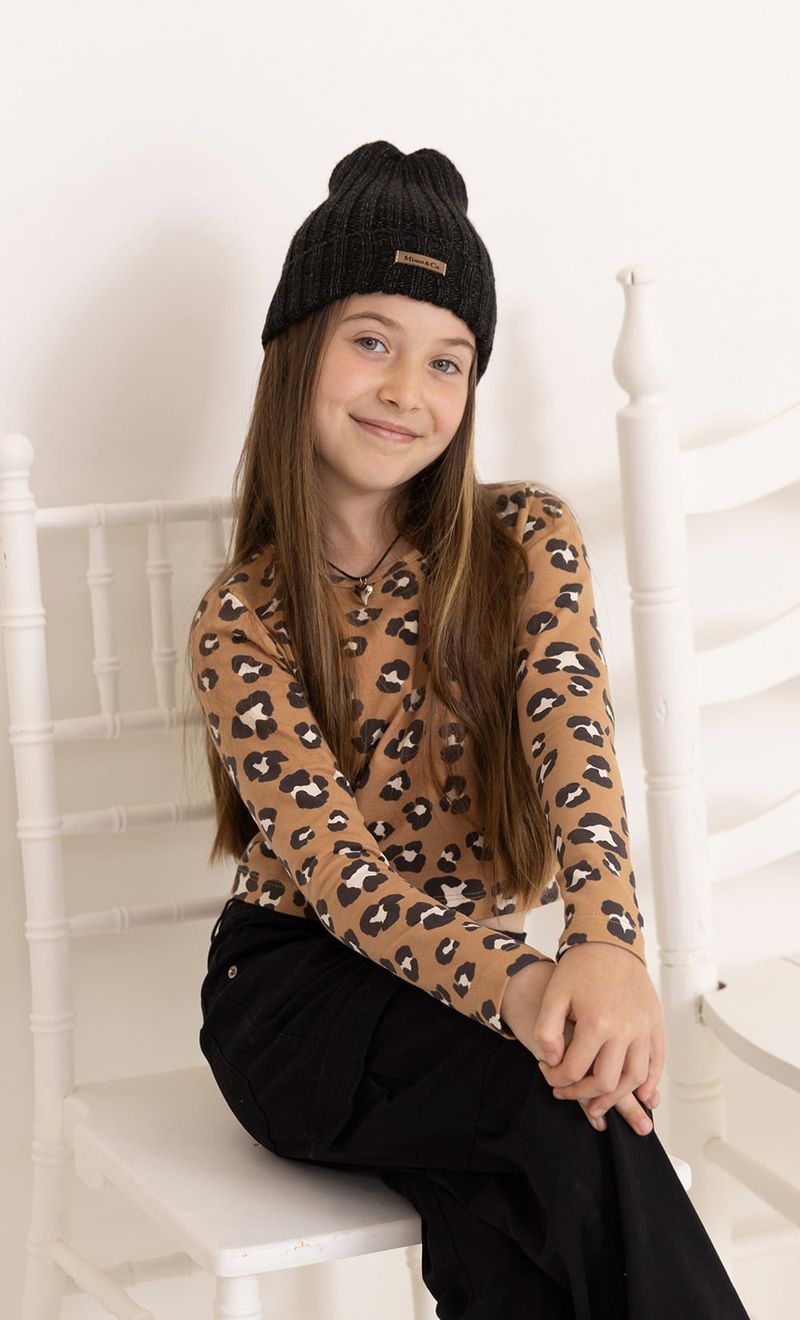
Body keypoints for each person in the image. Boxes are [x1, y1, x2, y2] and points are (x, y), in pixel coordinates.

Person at [187, 140, 749, 1318]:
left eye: (446, 360)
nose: (406, 389)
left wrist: (606, 947)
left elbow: (575, 752)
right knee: (564, 1106)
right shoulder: (243, 617)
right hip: (292, 999)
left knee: (520, 1212)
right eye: (370, 341)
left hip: (468, 998)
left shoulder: (523, 540)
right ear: (296, 351)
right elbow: (344, 881)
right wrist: (529, 988)